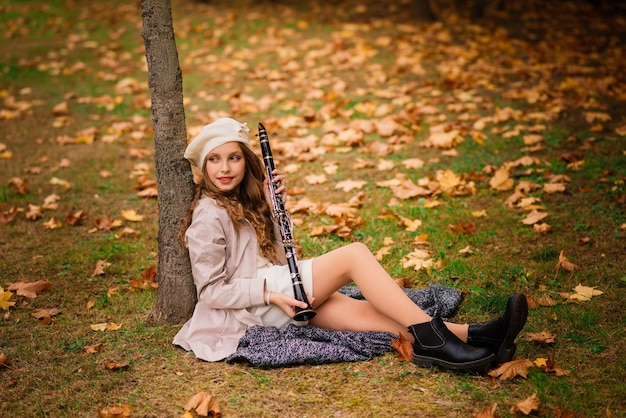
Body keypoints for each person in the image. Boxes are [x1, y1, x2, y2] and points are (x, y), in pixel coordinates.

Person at [173, 117, 528, 371]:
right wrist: (271, 296)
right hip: (254, 304)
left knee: (368, 316)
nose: (225, 168)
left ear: (246, 162)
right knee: (354, 254)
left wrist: (273, 206)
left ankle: (480, 336)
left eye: (233, 157)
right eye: (215, 160)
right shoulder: (208, 213)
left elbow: (281, 257)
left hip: (277, 290)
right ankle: (437, 342)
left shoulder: (245, 199)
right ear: (203, 167)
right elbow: (211, 291)